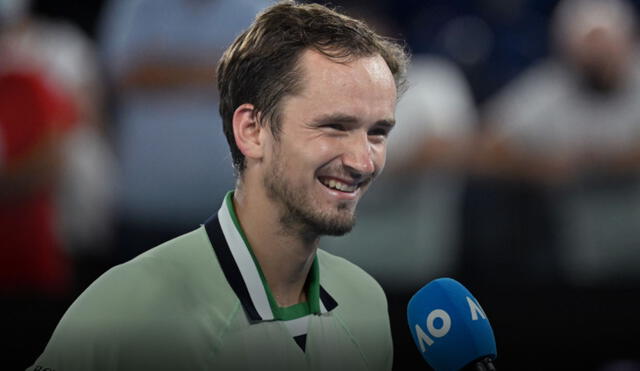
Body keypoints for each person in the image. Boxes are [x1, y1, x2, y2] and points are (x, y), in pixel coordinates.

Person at [29, 1, 409, 370]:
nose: (363, 161)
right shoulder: (127, 306)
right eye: (335, 127)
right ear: (251, 130)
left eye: (378, 133)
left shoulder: (367, 302)